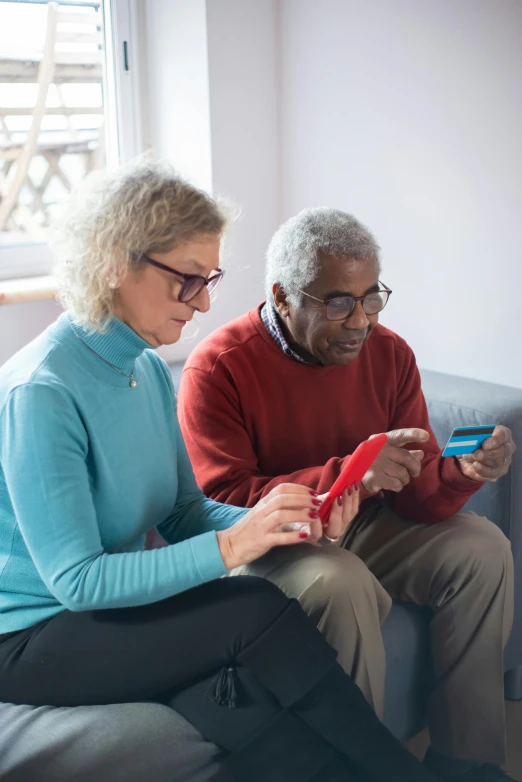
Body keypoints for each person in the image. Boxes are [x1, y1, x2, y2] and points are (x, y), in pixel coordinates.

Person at [0, 163, 447, 782]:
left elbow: (183, 513)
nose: (206, 301)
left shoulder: (147, 368)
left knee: (246, 703)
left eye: (208, 279)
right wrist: (236, 544)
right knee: (251, 611)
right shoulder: (42, 391)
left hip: (102, 615)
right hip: (33, 634)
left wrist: (287, 523)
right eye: (187, 280)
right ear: (111, 263)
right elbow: (77, 581)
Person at [178, 207, 517, 782]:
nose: (361, 320)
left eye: (372, 298)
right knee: (340, 580)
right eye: (339, 302)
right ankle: (361, 769)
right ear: (284, 297)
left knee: (483, 547)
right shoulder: (220, 368)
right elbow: (224, 501)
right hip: (267, 544)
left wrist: (462, 473)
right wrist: (346, 476)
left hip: (364, 524)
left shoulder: (390, 355)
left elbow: (416, 490)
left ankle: (468, 763)